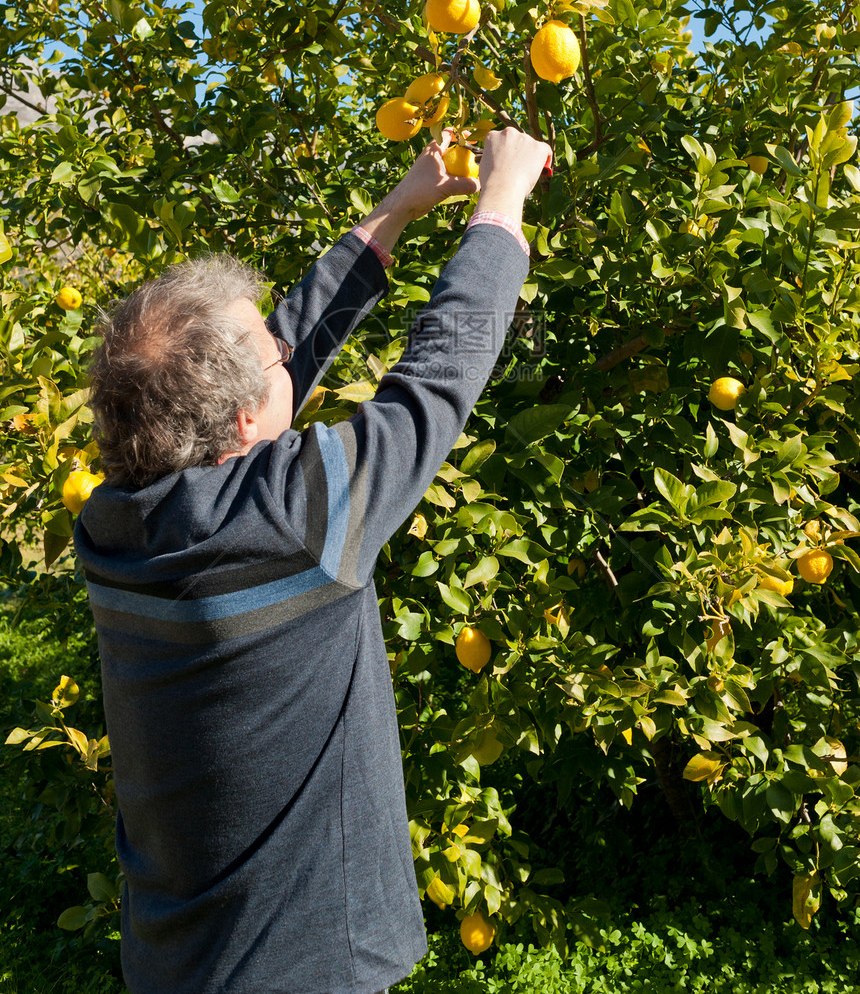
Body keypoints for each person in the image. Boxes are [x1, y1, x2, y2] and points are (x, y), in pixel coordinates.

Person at [74, 124, 550, 994]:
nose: (286, 347)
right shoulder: (296, 520)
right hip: (303, 966)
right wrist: (501, 205)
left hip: (175, 955)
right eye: (275, 355)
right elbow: (436, 379)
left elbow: (244, 373)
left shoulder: (113, 525)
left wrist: (397, 212)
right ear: (247, 425)